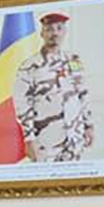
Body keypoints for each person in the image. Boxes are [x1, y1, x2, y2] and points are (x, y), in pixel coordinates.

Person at [13, 10, 94, 163]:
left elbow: (82, 93)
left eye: (59, 28)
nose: (54, 33)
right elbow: (22, 105)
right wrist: (29, 139)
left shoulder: (73, 60)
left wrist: (88, 125)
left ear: (65, 32)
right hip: (47, 141)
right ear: (42, 33)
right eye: (49, 29)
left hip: (74, 137)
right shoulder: (29, 66)